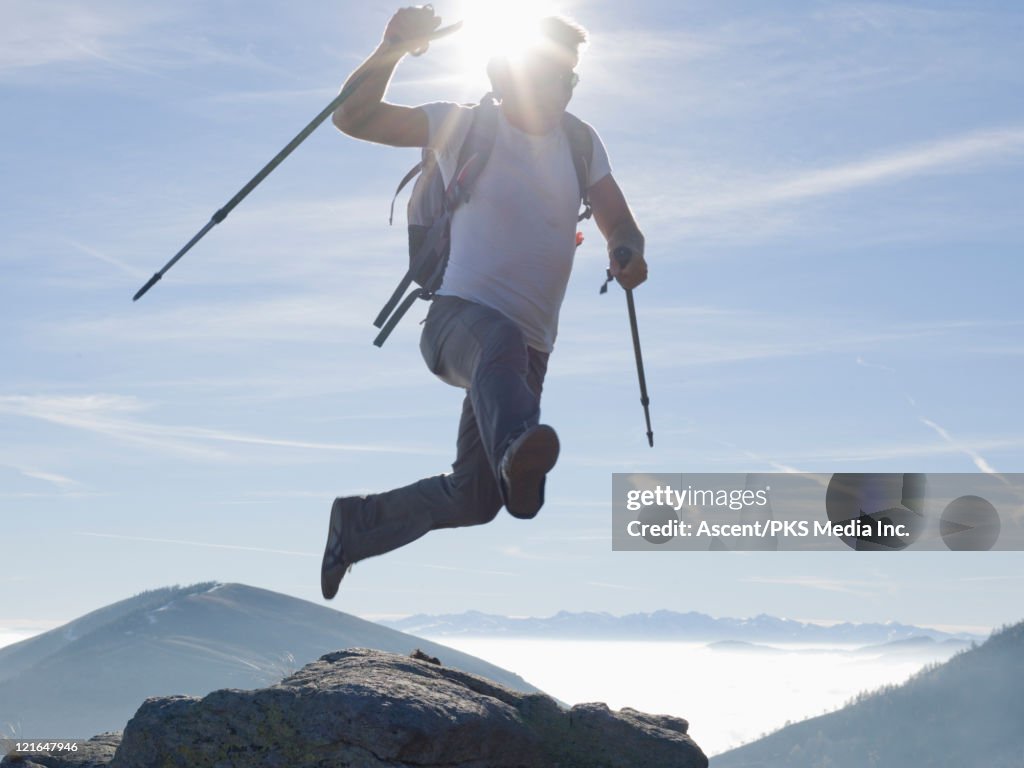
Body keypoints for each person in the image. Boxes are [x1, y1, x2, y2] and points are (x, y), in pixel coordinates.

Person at [321, 5, 647, 599]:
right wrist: (392, 47)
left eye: (570, 79)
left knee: (476, 497)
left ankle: (357, 524)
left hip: (527, 354)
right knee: (498, 343)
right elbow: (354, 117)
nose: (561, 89)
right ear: (504, 72)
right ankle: (520, 445)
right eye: (550, 73)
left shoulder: (580, 143)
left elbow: (619, 221)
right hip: (456, 325)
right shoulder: (460, 125)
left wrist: (627, 251)